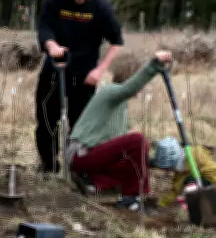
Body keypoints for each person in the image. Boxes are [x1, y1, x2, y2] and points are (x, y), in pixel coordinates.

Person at [35, 0, 124, 174]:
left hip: (85, 74)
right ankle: (49, 165)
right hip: (54, 69)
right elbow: (44, 26)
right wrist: (51, 45)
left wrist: (100, 70)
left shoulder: (101, 8)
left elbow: (116, 42)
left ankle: (75, 166)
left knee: (80, 123)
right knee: (47, 119)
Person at [66, 50, 172, 211]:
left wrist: (148, 162)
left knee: (133, 151)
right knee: (137, 140)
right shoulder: (110, 92)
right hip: (81, 154)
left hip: (95, 157)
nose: (143, 87)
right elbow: (129, 88)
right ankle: (132, 197)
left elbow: (119, 149)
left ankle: (93, 180)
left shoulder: (121, 105)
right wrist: (154, 66)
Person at [151, 137, 216, 208]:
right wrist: (162, 204)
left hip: (209, 192)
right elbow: (175, 189)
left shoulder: (200, 160)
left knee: (190, 187)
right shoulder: (180, 169)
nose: (166, 171)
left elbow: (213, 175)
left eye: (167, 168)